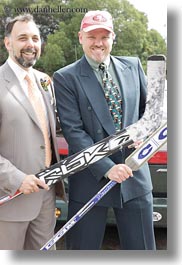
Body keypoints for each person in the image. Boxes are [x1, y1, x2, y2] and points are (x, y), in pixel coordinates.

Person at [53, 10, 156, 250]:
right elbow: (74, 132)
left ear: (113, 38)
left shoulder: (133, 66)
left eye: (104, 36)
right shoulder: (65, 77)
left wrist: (144, 134)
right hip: (91, 179)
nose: (98, 43)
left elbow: (149, 112)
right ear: (80, 37)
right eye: (92, 36)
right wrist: (108, 168)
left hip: (135, 177)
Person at [0, 14, 66, 250]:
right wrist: (17, 179)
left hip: (46, 198)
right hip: (9, 200)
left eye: (36, 38)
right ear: (8, 43)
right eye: (23, 38)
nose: (31, 44)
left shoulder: (45, 82)